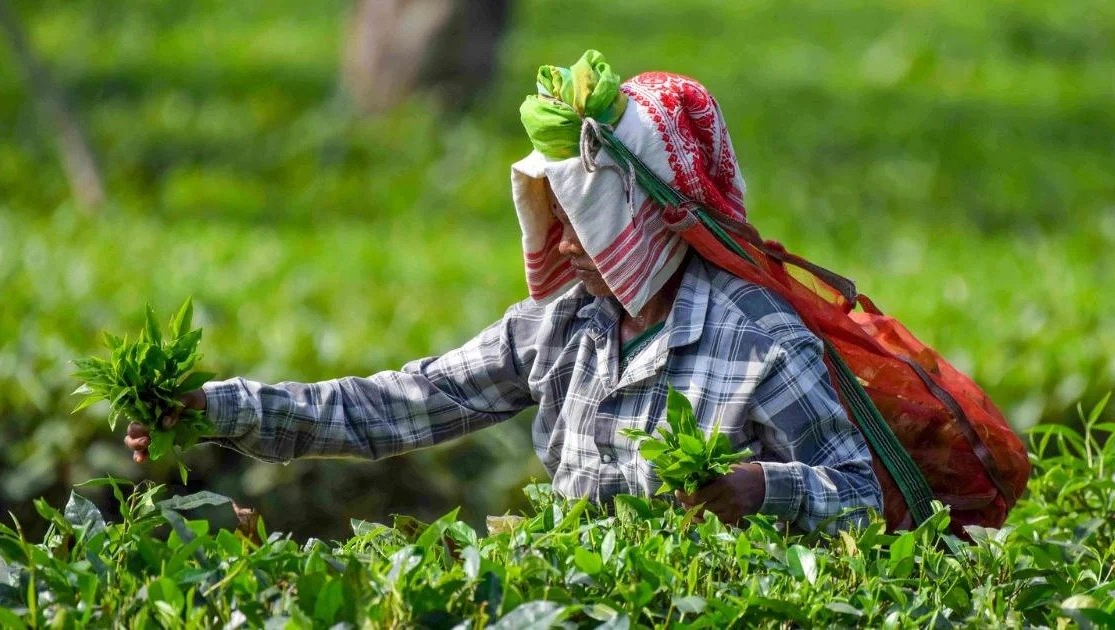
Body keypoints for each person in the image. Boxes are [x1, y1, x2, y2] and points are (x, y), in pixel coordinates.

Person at [125, 51, 882, 532]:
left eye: (585, 222)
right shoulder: (563, 328)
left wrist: (760, 489)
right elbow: (397, 405)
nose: (565, 244)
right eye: (559, 220)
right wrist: (218, 409)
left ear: (646, 218)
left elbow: (860, 494)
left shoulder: (758, 340)